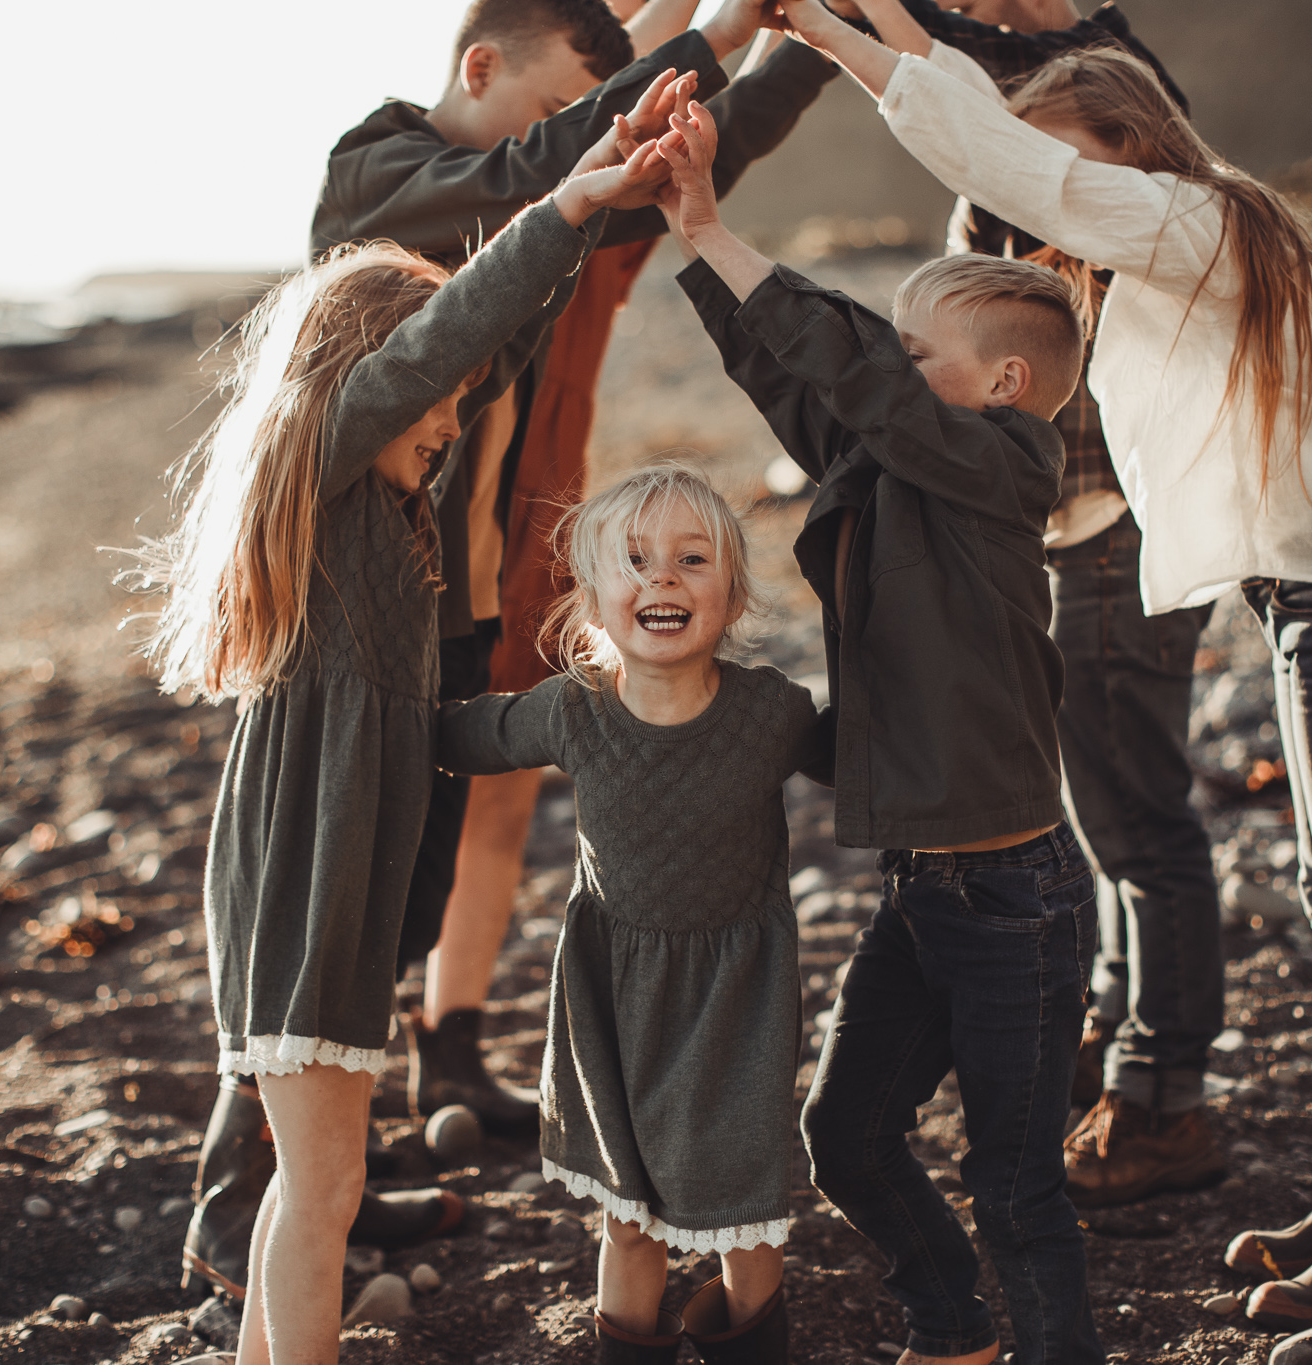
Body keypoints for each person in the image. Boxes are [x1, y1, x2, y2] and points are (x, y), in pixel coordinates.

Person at [780, 0, 1312, 1329]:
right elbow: (1002, 147)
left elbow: (994, 156)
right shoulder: (1200, 230)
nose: (1055, 215)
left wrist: (830, 31)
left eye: (1075, 169)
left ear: (1129, 144)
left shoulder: (1184, 220)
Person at [182, 0, 842, 1301]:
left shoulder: (513, 223)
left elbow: (661, 135)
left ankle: (339, 1176)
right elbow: (497, 232)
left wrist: (798, 40)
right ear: (479, 68)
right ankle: (252, 1203)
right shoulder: (382, 175)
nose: (564, 139)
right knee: (308, 962)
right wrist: (684, 41)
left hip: (459, 604)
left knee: (402, 898)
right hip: (360, 632)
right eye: (549, 112)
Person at [134, 134, 672, 1364]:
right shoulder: (324, 471)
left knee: (307, 1189)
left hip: (320, 887)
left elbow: (482, 360)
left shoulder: (381, 513)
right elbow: (442, 345)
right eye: (430, 396)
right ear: (365, 376)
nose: (451, 418)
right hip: (304, 891)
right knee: (322, 1195)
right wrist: (569, 205)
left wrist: (563, 720)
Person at [664, 92, 1098, 1365]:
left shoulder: (1003, 468)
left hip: (1014, 899)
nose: (891, 373)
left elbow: (854, 369)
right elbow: (807, 385)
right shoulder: (898, 464)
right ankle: (950, 1331)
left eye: (919, 356)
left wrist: (728, 231)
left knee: (1019, 1190)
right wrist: (693, 239)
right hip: (929, 891)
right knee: (842, 1137)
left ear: (1001, 386)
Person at [892, 0, 1227, 1208]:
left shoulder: (1123, 150)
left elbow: (952, 69)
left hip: (1119, 540)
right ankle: (1121, 1047)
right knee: (1111, 823)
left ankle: (1163, 1096)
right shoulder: (1018, 175)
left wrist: (884, 27)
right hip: (1072, 542)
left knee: (1140, 828)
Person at [438, 463, 828, 1365]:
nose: (663, 577)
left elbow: (871, 759)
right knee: (630, 1218)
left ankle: (752, 1348)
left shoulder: (772, 712)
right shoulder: (574, 712)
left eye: (693, 559)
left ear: (730, 597)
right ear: (593, 600)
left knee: (749, 1215)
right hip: (614, 1000)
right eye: (637, 560)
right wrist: (370, 712)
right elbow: (464, 734)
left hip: (739, 1000)